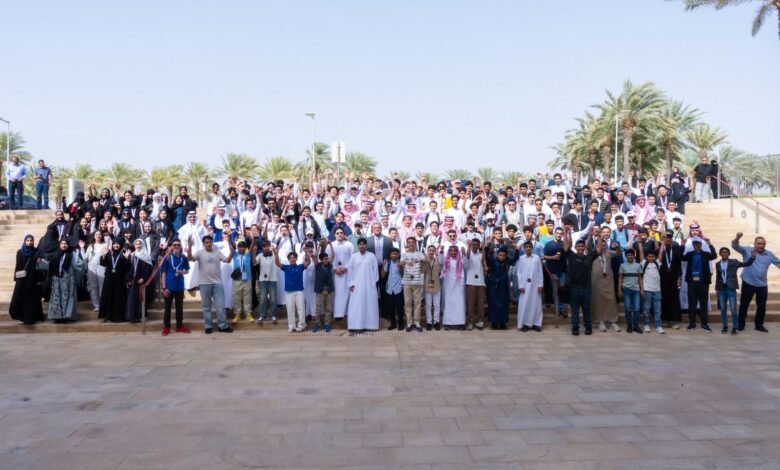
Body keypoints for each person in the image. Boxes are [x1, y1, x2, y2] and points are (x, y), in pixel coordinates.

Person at [732, 232, 780, 332]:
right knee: (744, 304)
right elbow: (735, 246)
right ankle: (741, 324)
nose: (761, 245)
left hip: (762, 284)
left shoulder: (769, 254)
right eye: (759, 243)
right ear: (754, 244)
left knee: (761, 306)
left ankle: (759, 324)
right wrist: (737, 237)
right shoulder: (747, 250)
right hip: (748, 282)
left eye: (763, 244)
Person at [187, 234, 234, 334]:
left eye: (210, 242)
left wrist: (232, 252)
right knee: (206, 306)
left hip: (217, 283)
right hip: (204, 284)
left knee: (220, 306)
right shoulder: (200, 253)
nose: (209, 244)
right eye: (206, 242)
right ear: (203, 244)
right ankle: (208, 326)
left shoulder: (217, 252)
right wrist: (190, 246)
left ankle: (222, 326)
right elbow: (190, 258)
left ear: (212, 243)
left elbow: (227, 260)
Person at [563, 228, 596, 336]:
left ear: (585, 247)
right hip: (574, 288)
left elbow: (599, 249)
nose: (581, 247)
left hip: (586, 288)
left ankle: (588, 327)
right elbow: (566, 246)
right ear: (576, 247)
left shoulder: (589, 257)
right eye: (579, 246)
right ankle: (575, 327)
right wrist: (566, 232)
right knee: (575, 310)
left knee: (586, 309)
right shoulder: (571, 256)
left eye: (582, 246)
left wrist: (598, 235)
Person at [715, 246, 755, 335]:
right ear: (720, 254)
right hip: (721, 289)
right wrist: (717, 289)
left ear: (729, 254)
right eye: (723, 252)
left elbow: (746, 264)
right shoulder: (717, 264)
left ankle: (735, 327)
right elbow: (718, 277)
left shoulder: (734, 262)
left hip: (731, 288)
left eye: (726, 252)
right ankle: (725, 326)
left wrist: (752, 257)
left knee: (733, 308)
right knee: (723, 309)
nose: (724, 253)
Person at [682, 237, 717, 332]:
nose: (697, 245)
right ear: (693, 245)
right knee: (692, 303)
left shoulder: (705, 254)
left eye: (698, 244)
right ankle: (692, 323)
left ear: (701, 245)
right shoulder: (689, 254)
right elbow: (681, 257)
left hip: (703, 282)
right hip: (692, 282)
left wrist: (710, 244)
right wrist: (682, 246)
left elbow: (714, 256)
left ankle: (704, 323)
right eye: (695, 244)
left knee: (703, 304)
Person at [47, 239, 85, 323]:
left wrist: (83, 254)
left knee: (67, 297)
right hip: (57, 279)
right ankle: (57, 316)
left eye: (65, 244)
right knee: (57, 297)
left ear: (68, 245)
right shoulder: (55, 254)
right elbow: (49, 265)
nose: (64, 245)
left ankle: (66, 316)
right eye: (62, 243)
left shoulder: (72, 254)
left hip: (68, 279)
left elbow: (80, 264)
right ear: (59, 245)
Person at [345, 238, 380, 332]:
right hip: (356, 286)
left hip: (369, 286)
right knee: (356, 305)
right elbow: (350, 270)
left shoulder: (371, 256)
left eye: (364, 244)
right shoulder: (353, 256)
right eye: (360, 244)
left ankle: (371, 326)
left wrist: (373, 284)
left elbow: (375, 271)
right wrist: (350, 283)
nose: (362, 246)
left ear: (366, 245)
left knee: (370, 305)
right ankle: (355, 326)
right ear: (358, 246)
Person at [9, 235, 44, 325]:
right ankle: (24, 317)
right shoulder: (20, 252)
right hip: (23, 280)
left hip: (34, 279)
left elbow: (40, 267)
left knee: (33, 299)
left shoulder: (37, 252)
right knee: (23, 298)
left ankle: (33, 317)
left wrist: (40, 279)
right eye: (27, 240)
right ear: (24, 241)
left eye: (31, 240)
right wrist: (17, 279)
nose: (29, 242)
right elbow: (18, 266)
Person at [275, 247, 311, 332]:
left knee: (301, 309)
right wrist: (276, 253)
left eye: (294, 257)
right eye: (290, 258)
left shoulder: (300, 267)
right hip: (289, 292)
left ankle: (301, 325)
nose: (292, 259)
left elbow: (308, 262)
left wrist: (306, 252)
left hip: (299, 291)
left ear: (296, 258)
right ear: (288, 259)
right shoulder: (286, 267)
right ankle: (291, 326)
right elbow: (277, 263)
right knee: (290, 310)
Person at [593, 226, 622, 332]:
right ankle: (600, 321)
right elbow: (587, 245)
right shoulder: (593, 253)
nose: (603, 246)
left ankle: (612, 321)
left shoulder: (608, 252)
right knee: (598, 301)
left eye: (604, 245)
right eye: (601, 245)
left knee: (611, 300)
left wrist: (618, 247)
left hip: (608, 279)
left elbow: (618, 253)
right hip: (596, 281)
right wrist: (594, 235)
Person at [160, 239, 190, 335]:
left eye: (178, 245)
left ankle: (179, 326)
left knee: (179, 308)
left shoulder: (184, 258)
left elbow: (187, 271)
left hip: (179, 286)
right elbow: (163, 273)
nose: (176, 246)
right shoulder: (167, 258)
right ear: (172, 246)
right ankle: (166, 327)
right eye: (175, 245)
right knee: (167, 308)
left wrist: (182, 272)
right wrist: (164, 288)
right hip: (169, 287)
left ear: (180, 246)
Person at [485, 246, 518, 330]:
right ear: (497, 255)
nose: (501, 257)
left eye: (503, 256)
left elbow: (515, 258)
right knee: (493, 305)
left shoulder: (507, 262)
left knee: (504, 305)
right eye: (500, 255)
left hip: (503, 287)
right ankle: (494, 323)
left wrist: (516, 249)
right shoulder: (493, 261)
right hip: (493, 287)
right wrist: (487, 247)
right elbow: (486, 257)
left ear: (505, 256)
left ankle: (503, 323)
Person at [99, 239, 130, 323]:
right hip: (109, 278)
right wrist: (103, 256)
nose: (116, 245)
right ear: (112, 245)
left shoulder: (123, 253)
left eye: (118, 244)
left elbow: (127, 267)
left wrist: (127, 258)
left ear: (121, 245)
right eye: (114, 244)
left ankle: (117, 317)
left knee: (118, 297)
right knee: (108, 296)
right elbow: (103, 263)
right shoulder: (109, 253)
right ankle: (107, 316)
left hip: (119, 279)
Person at [516, 241, 544, 332]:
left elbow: (540, 271)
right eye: (526, 246)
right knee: (525, 304)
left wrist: (540, 284)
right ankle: (525, 323)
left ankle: (536, 323)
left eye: (529, 246)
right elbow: (519, 273)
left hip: (535, 285)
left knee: (536, 304)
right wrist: (520, 285)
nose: (528, 248)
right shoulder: (521, 258)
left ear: (532, 248)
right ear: (524, 248)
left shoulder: (537, 258)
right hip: (525, 285)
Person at [125, 239, 154, 323]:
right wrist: (128, 279)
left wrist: (143, 278)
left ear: (143, 245)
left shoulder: (146, 255)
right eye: (136, 244)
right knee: (132, 299)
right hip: (133, 281)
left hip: (141, 281)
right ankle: (132, 317)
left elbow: (149, 269)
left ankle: (141, 316)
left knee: (141, 299)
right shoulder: (132, 255)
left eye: (139, 244)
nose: (138, 246)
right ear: (134, 245)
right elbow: (128, 268)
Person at [400, 237, 425, 332]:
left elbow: (425, 260)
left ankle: (417, 323)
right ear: (407, 244)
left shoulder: (420, 254)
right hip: (407, 282)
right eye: (409, 242)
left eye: (413, 242)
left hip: (417, 282)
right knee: (407, 303)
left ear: (415, 244)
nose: (411, 244)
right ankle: (409, 323)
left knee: (418, 303)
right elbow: (400, 263)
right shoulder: (404, 254)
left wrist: (419, 261)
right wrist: (406, 262)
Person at [659, 230, 683, 328]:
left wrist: (679, 277)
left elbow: (679, 264)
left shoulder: (676, 248)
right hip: (662, 278)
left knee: (674, 299)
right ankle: (665, 320)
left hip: (673, 278)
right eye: (666, 237)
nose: (668, 239)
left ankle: (673, 321)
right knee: (664, 299)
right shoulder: (659, 248)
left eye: (669, 237)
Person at [440, 244, 466, 330]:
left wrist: (464, 253)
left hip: (459, 285)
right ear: (449, 252)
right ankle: (447, 323)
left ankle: (461, 323)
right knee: (448, 303)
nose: (453, 252)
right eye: (451, 250)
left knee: (459, 304)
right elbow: (440, 261)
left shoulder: (460, 260)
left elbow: (466, 263)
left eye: (455, 250)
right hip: (448, 285)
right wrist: (441, 251)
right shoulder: (446, 260)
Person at [638, 249, 664, 334]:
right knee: (646, 309)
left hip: (657, 290)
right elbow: (641, 252)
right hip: (647, 289)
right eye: (649, 257)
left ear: (655, 257)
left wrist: (663, 243)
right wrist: (639, 243)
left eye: (653, 257)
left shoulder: (657, 263)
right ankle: (646, 325)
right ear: (646, 257)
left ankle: (658, 326)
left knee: (658, 310)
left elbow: (661, 252)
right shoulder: (644, 263)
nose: (651, 258)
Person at [618, 249, 643, 334]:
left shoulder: (638, 265)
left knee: (637, 308)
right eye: (628, 255)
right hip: (626, 289)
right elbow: (620, 278)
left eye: (631, 255)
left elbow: (640, 278)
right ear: (626, 256)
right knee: (628, 308)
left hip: (636, 289)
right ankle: (629, 325)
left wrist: (642, 289)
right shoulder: (622, 265)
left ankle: (636, 326)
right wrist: (619, 290)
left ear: (634, 256)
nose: (630, 256)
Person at [464, 238, 487, 330]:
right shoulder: (468, 253)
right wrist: (468, 246)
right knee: (471, 304)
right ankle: (470, 322)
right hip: (471, 282)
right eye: (474, 245)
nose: (475, 246)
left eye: (477, 245)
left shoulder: (481, 254)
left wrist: (483, 248)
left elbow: (483, 260)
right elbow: (467, 256)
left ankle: (480, 321)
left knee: (481, 304)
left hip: (480, 282)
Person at [331, 228, 353, 321]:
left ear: (344, 234)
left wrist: (346, 267)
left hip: (346, 272)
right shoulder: (331, 245)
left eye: (341, 233)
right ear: (334, 235)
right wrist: (334, 268)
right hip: (335, 273)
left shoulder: (349, 244)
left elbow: (353, 258)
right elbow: (328, 258)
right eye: (337, 233)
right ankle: (337, 314)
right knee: (336, 294)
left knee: (346, 292)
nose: (339, 234)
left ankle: (346, 313)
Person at [312, 244, 335, 333]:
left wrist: (330, 244)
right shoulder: (317, 266)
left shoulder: (329, 265)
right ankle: (317, 324)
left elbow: (333, 255)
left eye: (327, 258)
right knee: (318, 308)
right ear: (321, 260)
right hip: (320, 290)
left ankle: (327, 324)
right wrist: (318, 247)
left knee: (328, 308)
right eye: (325, 259)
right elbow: (315, 257)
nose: (327, 260)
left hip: (328, 290)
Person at [230, 240, 254, 323]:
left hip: (247, 279)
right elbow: (231, 247)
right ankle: (237, 314)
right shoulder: (235, 254)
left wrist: (254, 239)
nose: (242, 249)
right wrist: (229, 238)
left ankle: (248, 314)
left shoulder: (248, 255)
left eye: (243, 247)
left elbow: (252, 246)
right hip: (237, 279)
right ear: (237, 248)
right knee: (237, 297)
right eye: (240, 247)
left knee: (247, 297)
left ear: (246, 248)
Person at [82, 231, 107, 311]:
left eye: (100, 234)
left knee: (102, 286)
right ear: (94, 236)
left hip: (102, 266)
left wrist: (105, 255)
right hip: (91, 266)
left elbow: (107, 258)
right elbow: (85, 258)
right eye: (96, 234)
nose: (98, 236)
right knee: (93, 286)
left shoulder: (105, 245)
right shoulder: (90, 246)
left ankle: (103, 304)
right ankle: (96, 305)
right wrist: (82, 248)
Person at [254, 240, 278, 324]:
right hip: (263, 280)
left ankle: (273, 315)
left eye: (268, 246)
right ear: (262, 248)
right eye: (264, 246)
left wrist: (276, 254)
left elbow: (278, 263)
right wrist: (253, 253)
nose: (266, 248)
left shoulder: (274, 254)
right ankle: (262, 315)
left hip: (273, 279)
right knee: (262, 299)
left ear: (270, 246)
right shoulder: (260, 255)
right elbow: (254, 263)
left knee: (273, 298)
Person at [382, 247, 405, 331]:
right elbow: (382, 276)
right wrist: (383, 265)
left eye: (396, 254)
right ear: (390, 255)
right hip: (390, 289)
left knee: (399, 307)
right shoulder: (388, 263)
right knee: (391, 307)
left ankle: (401, 323)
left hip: (399, 288)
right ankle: (393, 323)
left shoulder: (401, 263)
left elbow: (404, 276)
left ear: (399, 255)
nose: (394, 255)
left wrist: (401, 268)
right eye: (393, 253)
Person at [421, 245, 442, 330]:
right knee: (428, 304)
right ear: (427, 251)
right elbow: (422, 271)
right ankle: (429, 322)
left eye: (433, 250)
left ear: (435, 251)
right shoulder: (425, 261)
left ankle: (436, 321)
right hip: (427, 284)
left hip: (436, 284)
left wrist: (438, 259)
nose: (431, 252)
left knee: (437, 304)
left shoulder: (437, 260)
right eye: (429, 250)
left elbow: (440, 271)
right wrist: (423, 262)